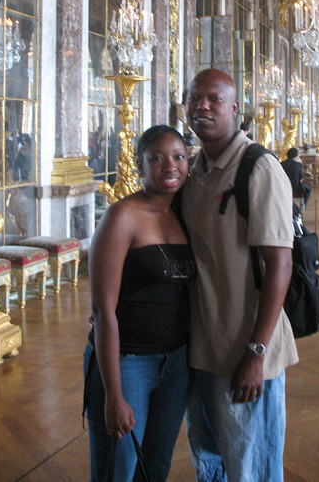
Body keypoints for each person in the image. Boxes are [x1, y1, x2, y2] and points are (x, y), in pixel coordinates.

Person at [182, 69, 297, 480]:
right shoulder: (192, 170)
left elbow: (280, 263)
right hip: (202, 346)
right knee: (209, 456)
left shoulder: (258, 168)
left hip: (245, 347)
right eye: (195, 98)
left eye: (214, 99)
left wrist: (256, 353)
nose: (202, 106)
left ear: (235, 108)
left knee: (251, 464)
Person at [85, 125, 195, 481]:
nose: (170, 167)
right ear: (140, 165)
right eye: (157, 159)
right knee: (119, 467)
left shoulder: (182, 213)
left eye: (178, 157)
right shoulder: (122, 216)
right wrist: (113, 394)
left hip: (176, 363)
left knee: (156, 465)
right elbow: (103, 311)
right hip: (128, 362)